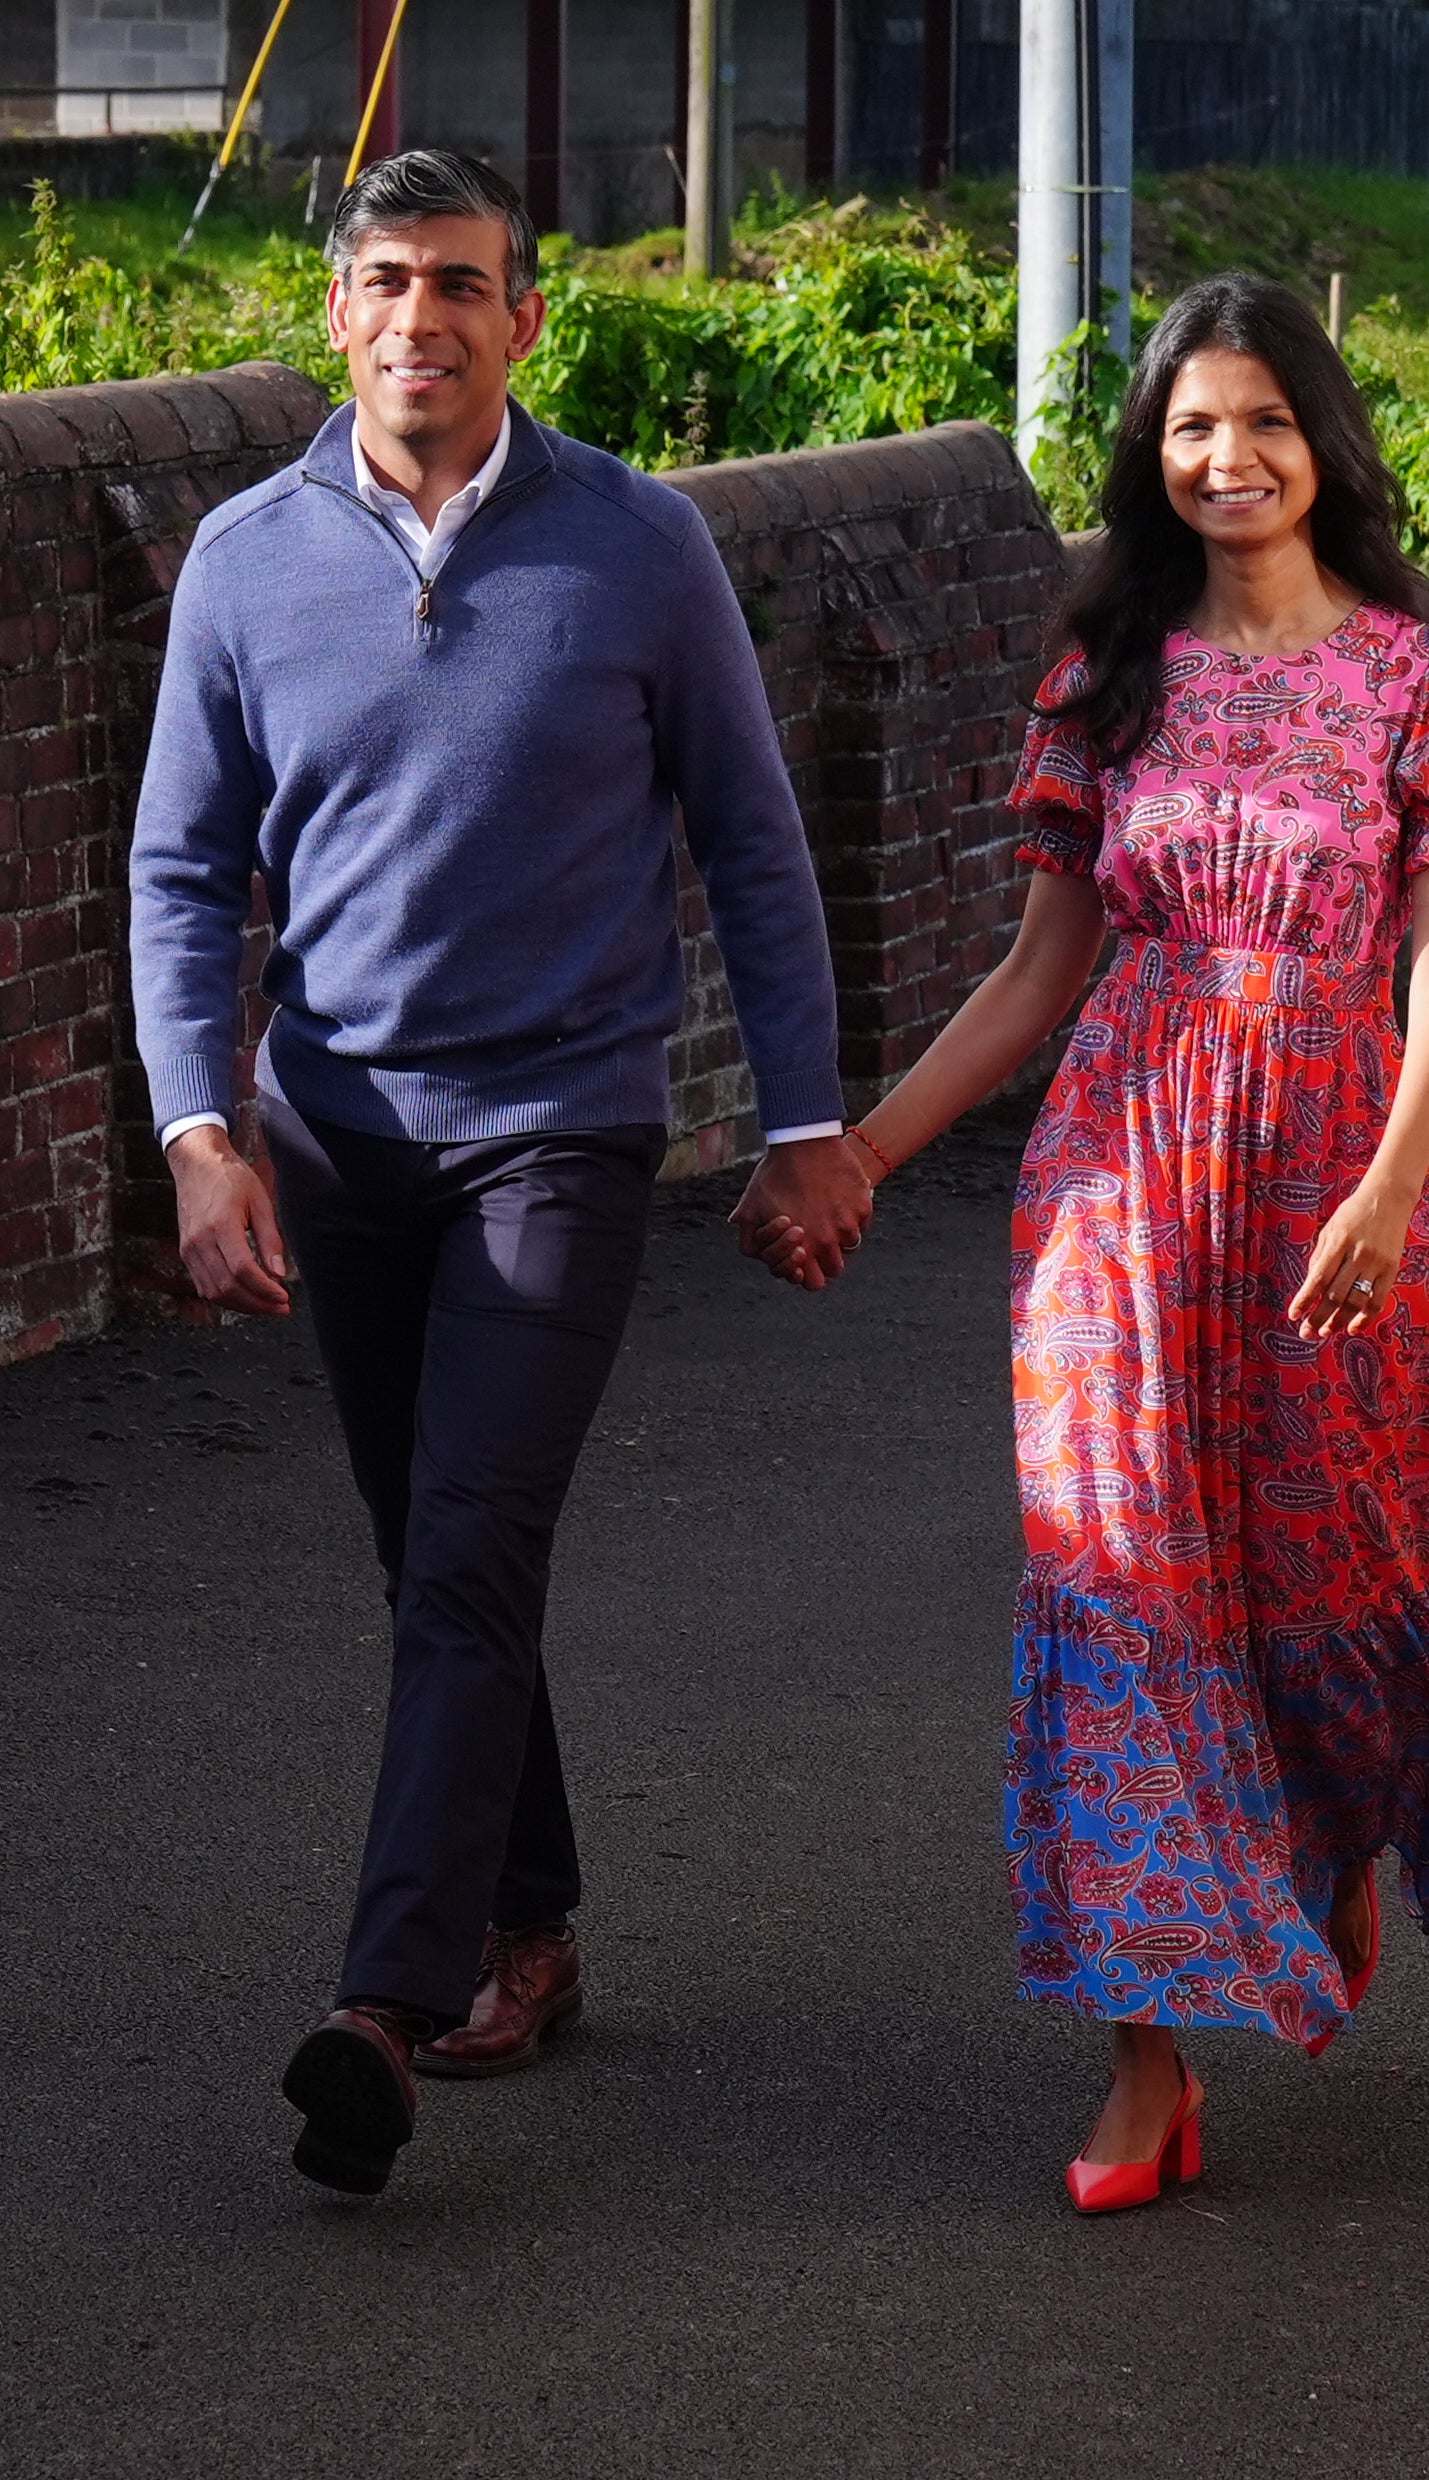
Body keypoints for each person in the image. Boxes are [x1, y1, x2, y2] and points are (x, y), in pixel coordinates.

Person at [743, 273, 1429, 2211]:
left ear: (1322, 442)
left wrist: (1386, 1175)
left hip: (1338, 1167)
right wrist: (859, 1152)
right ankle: (1145, 2051)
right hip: (1118, 1168)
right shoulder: (1110, 669)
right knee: (1112, 1575)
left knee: (1329, 1563)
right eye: (1191, 426)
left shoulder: (1427, 676)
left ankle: (1314, 1849)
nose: (1228, 456)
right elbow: (1037, 970)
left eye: (1264, 420)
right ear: (1152, 455)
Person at [130, 149, 871, 2198]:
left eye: (464, 282)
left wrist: (804, 1121)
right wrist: (202, 1133)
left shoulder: (636, 549)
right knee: (440, 1556)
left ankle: (389, 1992)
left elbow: (752, 840)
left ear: (526, 317)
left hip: (564, 1122)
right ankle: (530, 1915)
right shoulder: (246, 561)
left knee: (467, 1540)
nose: (424, 318)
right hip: (337, 1134)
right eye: (389, 282)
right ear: (338, 314)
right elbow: (182, 870)